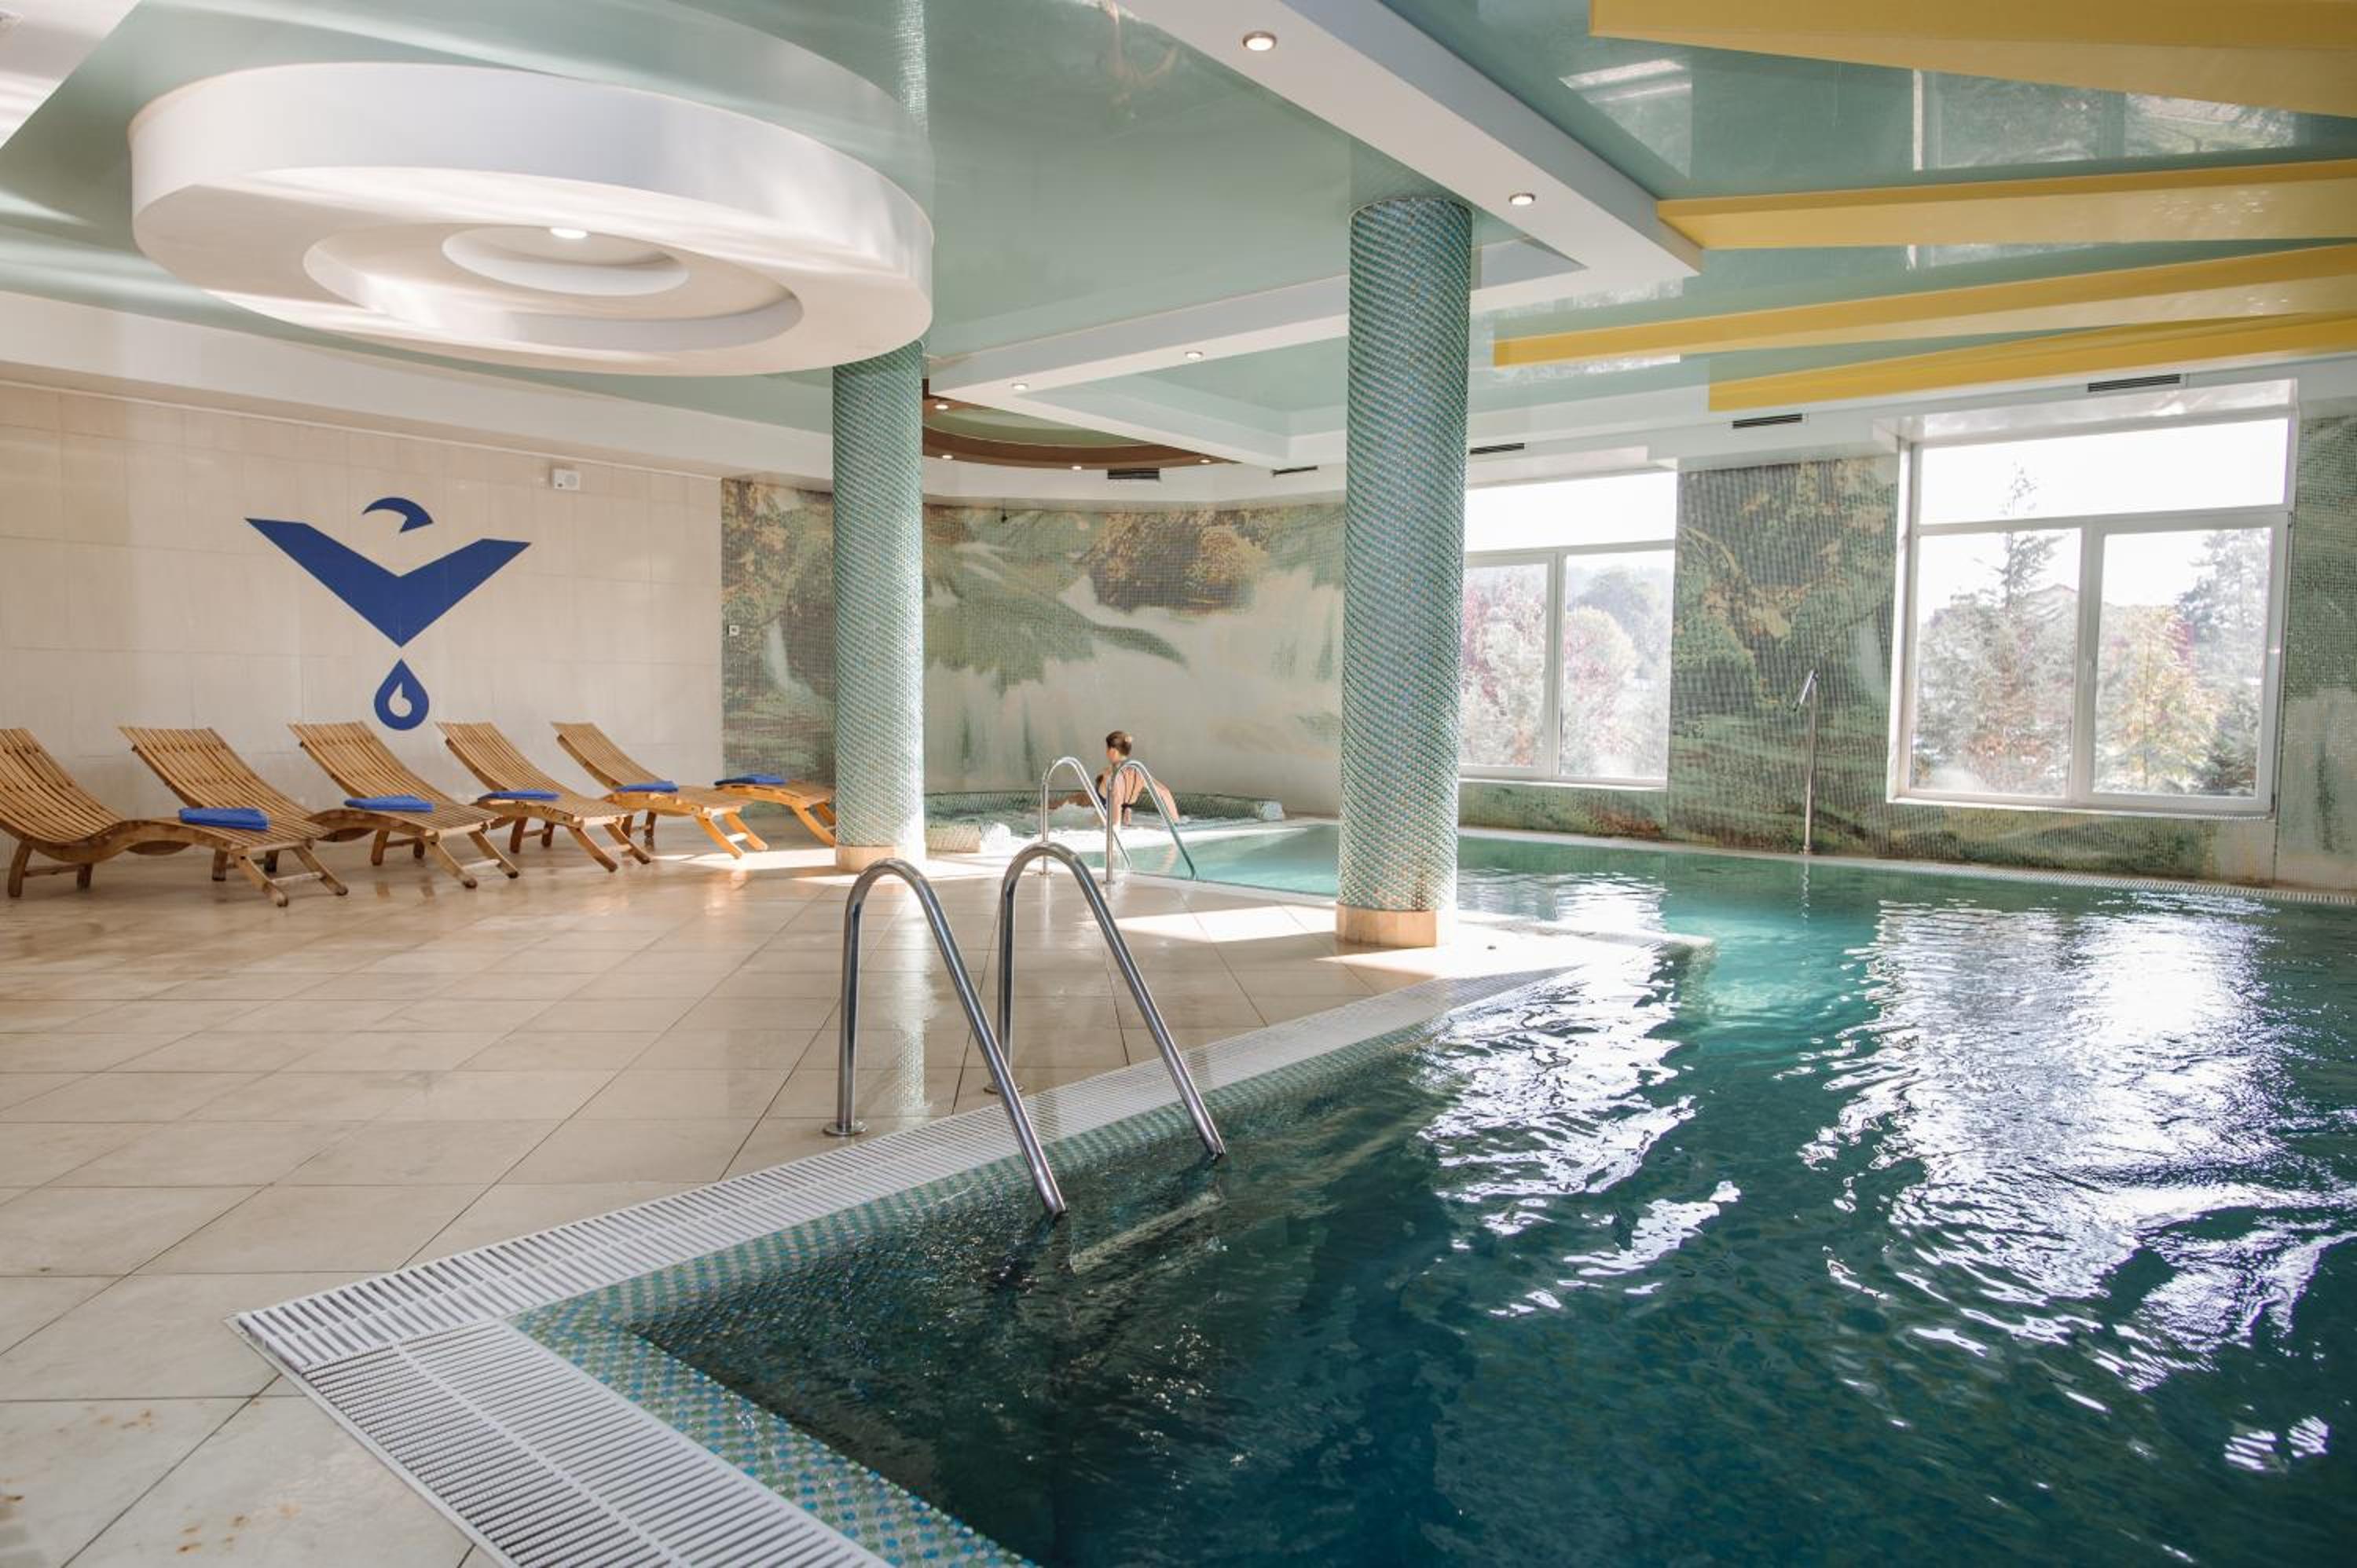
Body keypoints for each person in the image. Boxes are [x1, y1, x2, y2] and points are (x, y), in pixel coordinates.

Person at [1064, 730, 1180, 825]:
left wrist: (1116, 829)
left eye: (1107, 748)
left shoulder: (1110, 773)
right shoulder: (1138, 772)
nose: (1106, 752)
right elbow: (1165, 792)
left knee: (1077, 799)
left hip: (1102, 823)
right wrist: (1176, 823)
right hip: (1122, 817)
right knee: (1081, 797)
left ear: (1113, 751)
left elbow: (1117, 801)